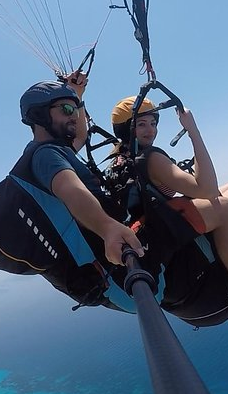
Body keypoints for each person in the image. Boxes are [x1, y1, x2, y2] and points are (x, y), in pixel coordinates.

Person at [109, 96, 228, 324]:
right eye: (141, 124)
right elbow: (207, 190)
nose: (150, 130)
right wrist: (193, 132)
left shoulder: (120, 158)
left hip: (155, 233)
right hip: (169, 239)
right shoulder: (150, 158)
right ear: (127, 129)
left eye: (153, 123)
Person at [19, 74, 144, 267]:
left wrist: (77, 94)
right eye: (67, 109)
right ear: (39, 115)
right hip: (116, 252)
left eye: (75, 112)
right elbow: (71, 191)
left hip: (113, 244)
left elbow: (80, 136)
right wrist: (108, 227)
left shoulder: (54, 150)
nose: (74, 116)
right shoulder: (46, 156)